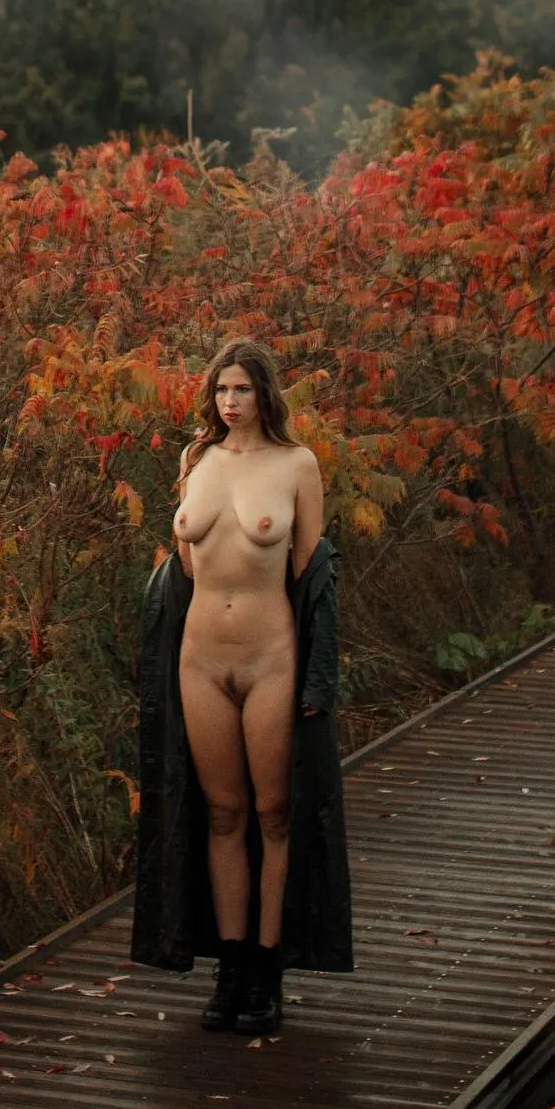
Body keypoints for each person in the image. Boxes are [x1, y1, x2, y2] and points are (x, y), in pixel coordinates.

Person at [129, 337, 353, 1034]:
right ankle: (228, 969)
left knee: (274, 813)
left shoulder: (297, 465)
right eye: (221, 390)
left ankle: (266, 968)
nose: (230, 402)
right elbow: (184, 568)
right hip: (199, 660)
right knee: (222, 813)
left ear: (265, 394)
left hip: (269, 660)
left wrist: (317, 678)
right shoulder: (195, 460)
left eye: (243, 389)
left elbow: (311, 577)